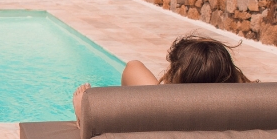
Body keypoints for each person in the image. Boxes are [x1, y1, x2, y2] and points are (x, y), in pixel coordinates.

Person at [73, 35, 248, 120]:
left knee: (134, 67)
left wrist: (84, 113)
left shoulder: (163, 118)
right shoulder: (245, 113)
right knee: (134, 66)